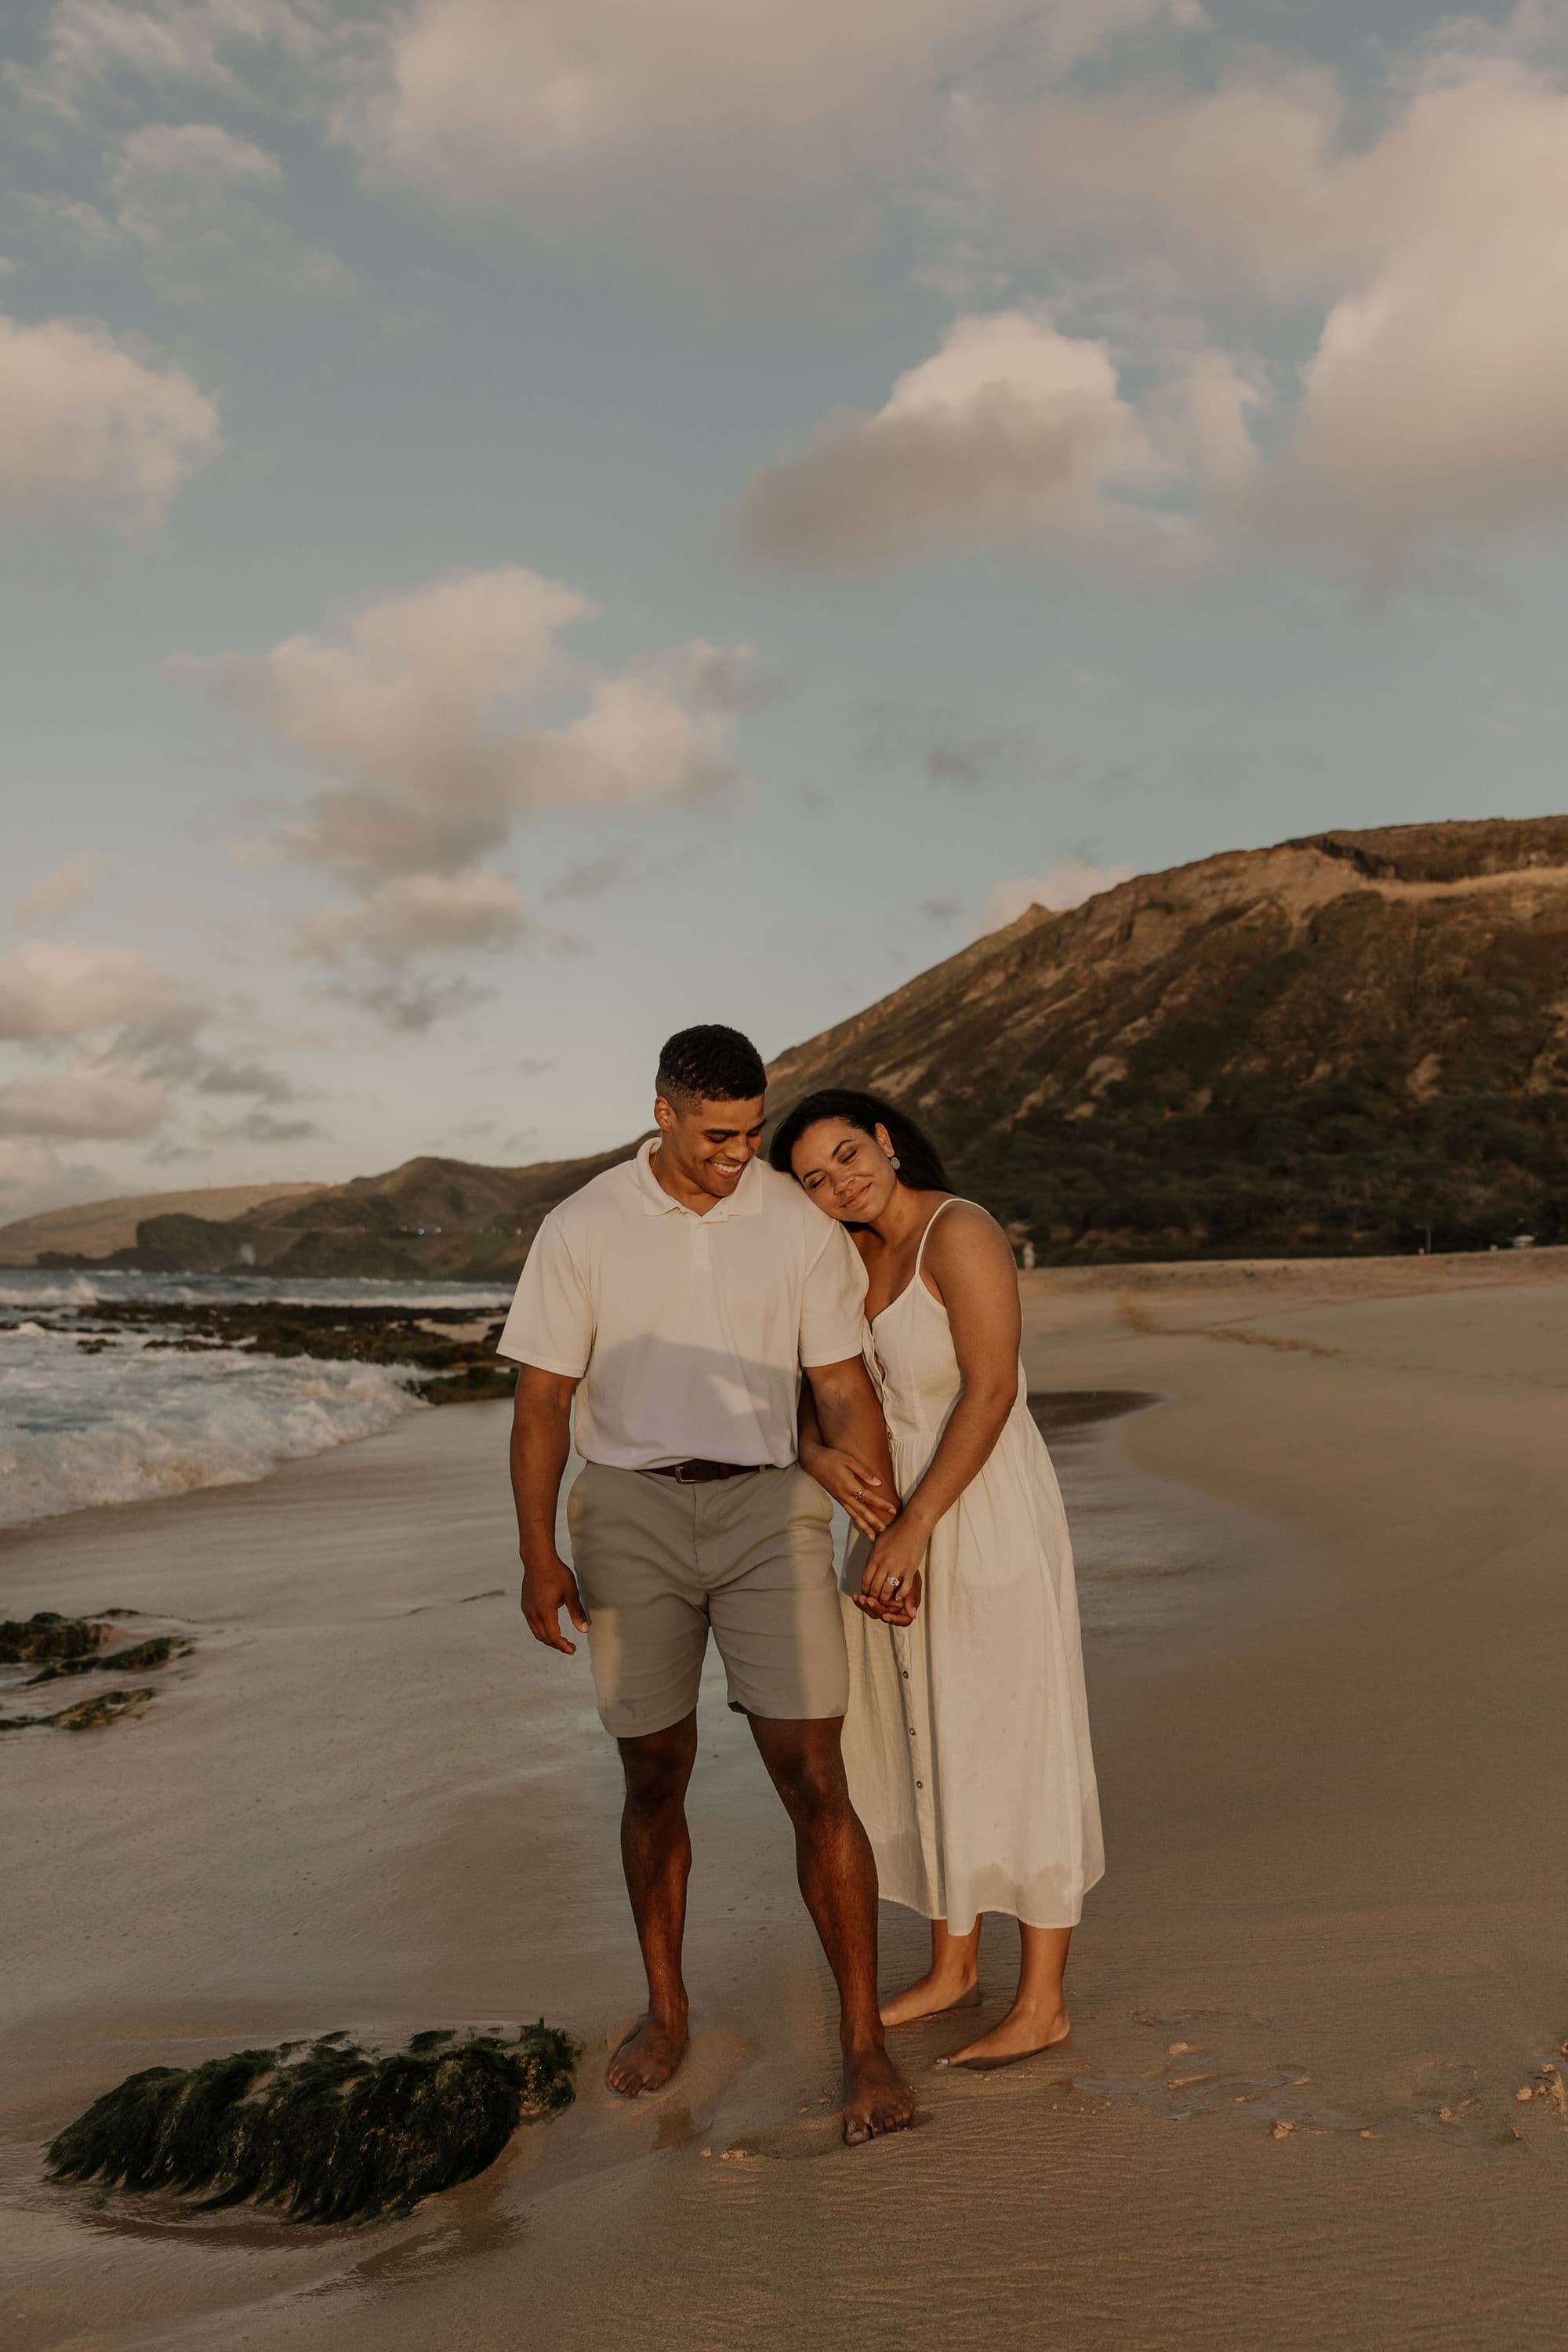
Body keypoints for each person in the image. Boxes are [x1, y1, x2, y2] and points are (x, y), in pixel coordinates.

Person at [501, 1026, 916, 2144]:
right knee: (653, 1771)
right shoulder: (583, 1224)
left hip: (766, 1507)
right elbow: (542, 1399)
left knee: (814, 1769)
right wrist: (540, 1551)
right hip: (629, 1510)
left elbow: (838, 1383)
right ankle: (668, 2008)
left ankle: (865, 2043)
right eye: (721, 1135)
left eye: (751, 1130)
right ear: (665, 1113)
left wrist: (878, 1527)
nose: (743, 1154)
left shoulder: (792, 1219)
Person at [769, 1087, 1104, 2070]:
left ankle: (1041, 1999)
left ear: (883, 1137)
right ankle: (954, 1965)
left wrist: (914, 1527)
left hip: (979, 1506)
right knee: (924, 1727)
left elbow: (992, 1389)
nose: (840, 1182)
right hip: (886, 1521)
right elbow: (804, 1393)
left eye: (845, 1154)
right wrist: (818, 1460)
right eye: (814, 1179)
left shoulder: (960, 1231)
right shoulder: (839, 1259)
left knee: (1014, 1727)